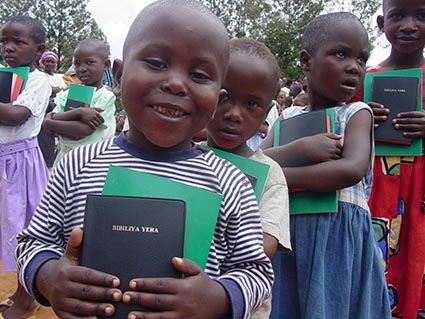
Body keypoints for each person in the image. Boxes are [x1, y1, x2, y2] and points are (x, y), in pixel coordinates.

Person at [14, 1, 274, 319]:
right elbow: (32, 242)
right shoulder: (76, 165)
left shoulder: (230, 181)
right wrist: (48, 277)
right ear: (120, 75)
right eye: (156, 63)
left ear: (217, 98)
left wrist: (218, 299)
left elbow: (256, 272)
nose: (176, 83)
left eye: (199, 74)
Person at [260, 12, 391, 318]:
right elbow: (256, 163)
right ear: (307, 61)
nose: (353, 67)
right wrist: (300, 148)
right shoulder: (288, 117)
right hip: (288, 238)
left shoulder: (357, 113)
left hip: (339, 238)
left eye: (361, 59)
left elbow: (349, 170)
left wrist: (281, 176)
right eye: (341, 54)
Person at [205, 37, 291, 318]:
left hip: (239, 306)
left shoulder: (270, 176)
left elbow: (265, 247)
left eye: (251, 104)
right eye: (224, 96)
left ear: (265, 115)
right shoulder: (185, 159)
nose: (233, 114)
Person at [349, 1, 425, 317]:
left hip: (419, 197)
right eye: (398, 16)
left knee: (415, 264)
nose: (409, 25)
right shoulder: (362, 82)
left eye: (421, 16)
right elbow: (341, 131)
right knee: (373, 268)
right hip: (375, 194)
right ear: (381, 23)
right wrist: (362, 117)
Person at [0, 15, 51, 319]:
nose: (8, 48)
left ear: (38, 49)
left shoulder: (38, 80)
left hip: (21, 166)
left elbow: (17, 115)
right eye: (4, 41)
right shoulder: (4, 75)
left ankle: (24, 300)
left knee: (23, 232)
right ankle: (15, 292)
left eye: (18, 42)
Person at [43, 38, 116, 166]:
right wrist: (79, 113)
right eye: (77, 64)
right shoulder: (66, 94)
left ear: (106, 65)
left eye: (89, 62)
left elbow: (84, 129)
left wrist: (51, 123)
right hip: (63, 161)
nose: (82, 69)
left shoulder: (106, 97)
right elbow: (51, 120)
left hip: (88, 165)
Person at [38, 50, 67, 170]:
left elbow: (64, 90)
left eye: (52, 62)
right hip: (44, 108)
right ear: (42, 62)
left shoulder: (58, 77)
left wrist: (57, 90)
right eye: (47, 61)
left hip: (57, 107)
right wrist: (56, 90)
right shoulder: (40, 76)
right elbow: (51, 90)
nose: (49, 64)